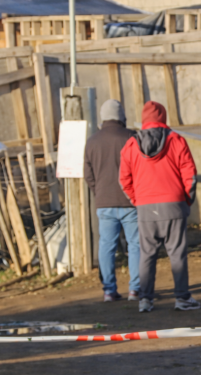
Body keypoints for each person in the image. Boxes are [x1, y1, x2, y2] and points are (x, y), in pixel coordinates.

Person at [119, 101, 200, 313]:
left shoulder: (130, 145)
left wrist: (137, 200)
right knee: (177, 254)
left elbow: (124, 179)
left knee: (147, 254)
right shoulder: (176, 140)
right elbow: (189, 174)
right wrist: (186, 200)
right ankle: (182, 298)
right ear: (163, 117)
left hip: (145, 206)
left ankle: (145, 299)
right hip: (173, 204)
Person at [84, 100, 140, 302]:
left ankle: (108, 290)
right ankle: (135, 289)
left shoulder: (91, 141)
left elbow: (88, 175)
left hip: (104, 201)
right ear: (121, 116)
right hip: (131, 201)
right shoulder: (132, 137)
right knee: (135, 245)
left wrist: (98, 192)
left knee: (107, 246)